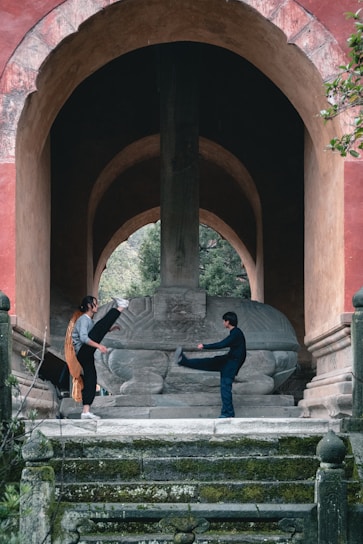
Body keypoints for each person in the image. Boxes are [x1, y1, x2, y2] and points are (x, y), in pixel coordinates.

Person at [174, 311, 246, 418]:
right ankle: (183, 361)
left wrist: (205, 346)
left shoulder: (236, 333)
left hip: (231, 363)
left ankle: (228, 413)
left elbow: (222, 344)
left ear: (228, 322)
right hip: (228, 360)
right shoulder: (235, 333)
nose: (223, 323)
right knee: (207, 362)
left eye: (224, 321)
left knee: (225, 387)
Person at [72, 295, 129, 419]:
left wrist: (109, 330)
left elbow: (95, 332)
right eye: (95, 304)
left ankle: (85, 411)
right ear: (89, 305)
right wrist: (99, 346)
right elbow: (84, 338)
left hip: (86, 354)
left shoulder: (89, 320)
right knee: (99, 326)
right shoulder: (83, 319)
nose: (97, 306)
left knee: (91, 379)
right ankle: (121, 306)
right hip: (82, 351)